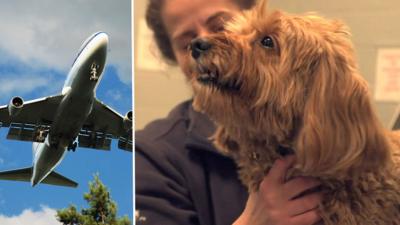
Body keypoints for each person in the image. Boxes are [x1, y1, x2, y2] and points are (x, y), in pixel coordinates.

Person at [136, 0, 322, 224]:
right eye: (187, 43)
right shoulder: (150, 157)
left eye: (222, 27)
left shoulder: (319, 132)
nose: (203, 42)